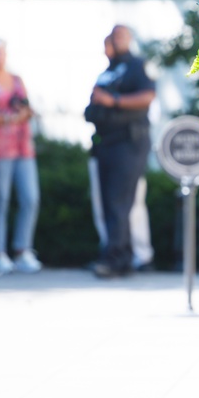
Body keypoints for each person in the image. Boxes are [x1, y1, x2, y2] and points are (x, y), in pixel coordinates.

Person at [84, 24, 155, 278]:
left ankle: (118, 258)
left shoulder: (136, 65)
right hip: (105, 144)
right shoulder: (107, 72)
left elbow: (147, 96)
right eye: (114, 36)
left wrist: (112, 101)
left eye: (122, 35)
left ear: (130, 38)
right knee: (107, 204)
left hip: (129, 143)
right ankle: (118, 256)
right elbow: (91, 107)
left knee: (120, 202)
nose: (116, 41)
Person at [0, 39, 42, 274]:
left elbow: (28, 109)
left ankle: (22, 249)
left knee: (30, 198)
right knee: (0, 199)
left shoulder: (17, 80)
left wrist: (23, 112)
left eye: (2, 51)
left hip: (23, 147)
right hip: (0, 147)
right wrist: (10, 118)